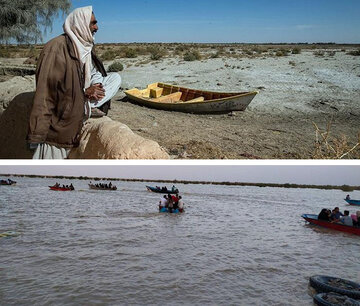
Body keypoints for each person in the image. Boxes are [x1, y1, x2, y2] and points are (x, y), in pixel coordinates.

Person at [27, 6, 122, 159]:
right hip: (61, 123)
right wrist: (37, 135)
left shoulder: (84, 46)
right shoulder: (56, 48)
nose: (96, 27)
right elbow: (46, 94)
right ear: (80, 24)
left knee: (115, 77)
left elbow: (86, 75)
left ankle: (88, 105)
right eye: (93, 23)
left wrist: (93, 89)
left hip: (77, 108)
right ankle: (85, 106)